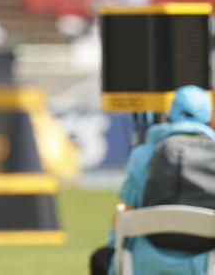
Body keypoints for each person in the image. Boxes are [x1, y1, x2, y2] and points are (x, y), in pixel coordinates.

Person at [89, 85, 215, 275]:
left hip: (144, 262)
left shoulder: (142, 154)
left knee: (100, 258)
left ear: (169, 114)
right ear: (208, 118)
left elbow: (128, 207)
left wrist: (116, 249)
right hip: (205, 262)